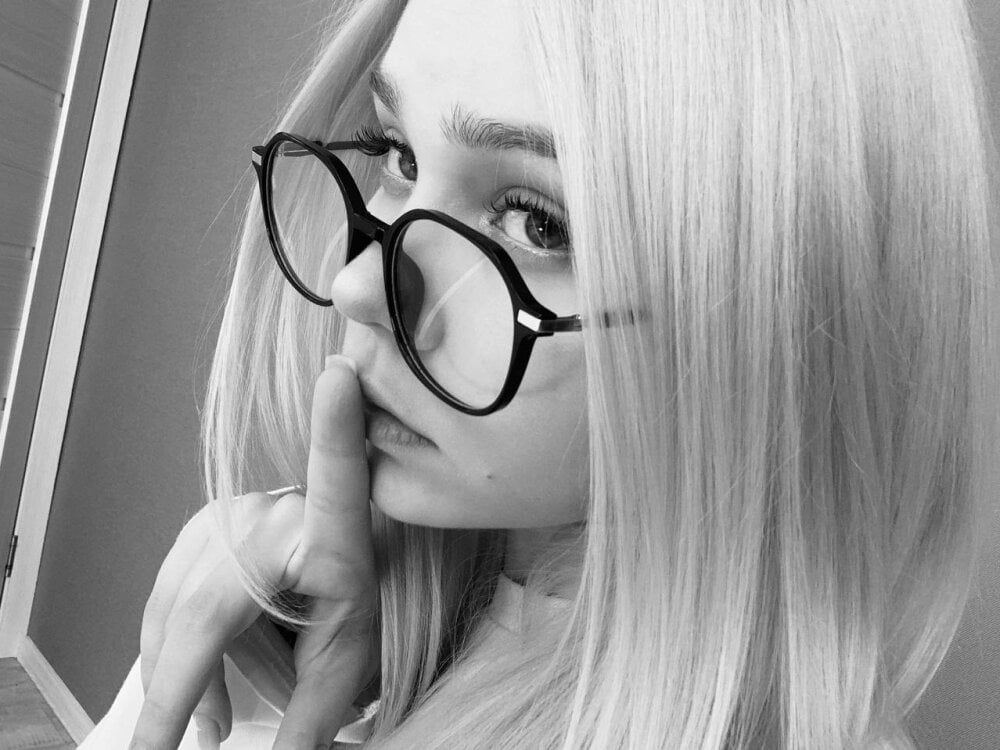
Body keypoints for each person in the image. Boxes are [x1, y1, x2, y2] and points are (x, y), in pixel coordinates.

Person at [81, 0, 999, 747]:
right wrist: (319, 659)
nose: (358, 284)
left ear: (776, 321)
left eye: (537, 221)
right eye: (399, 156)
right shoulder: (392, 617)